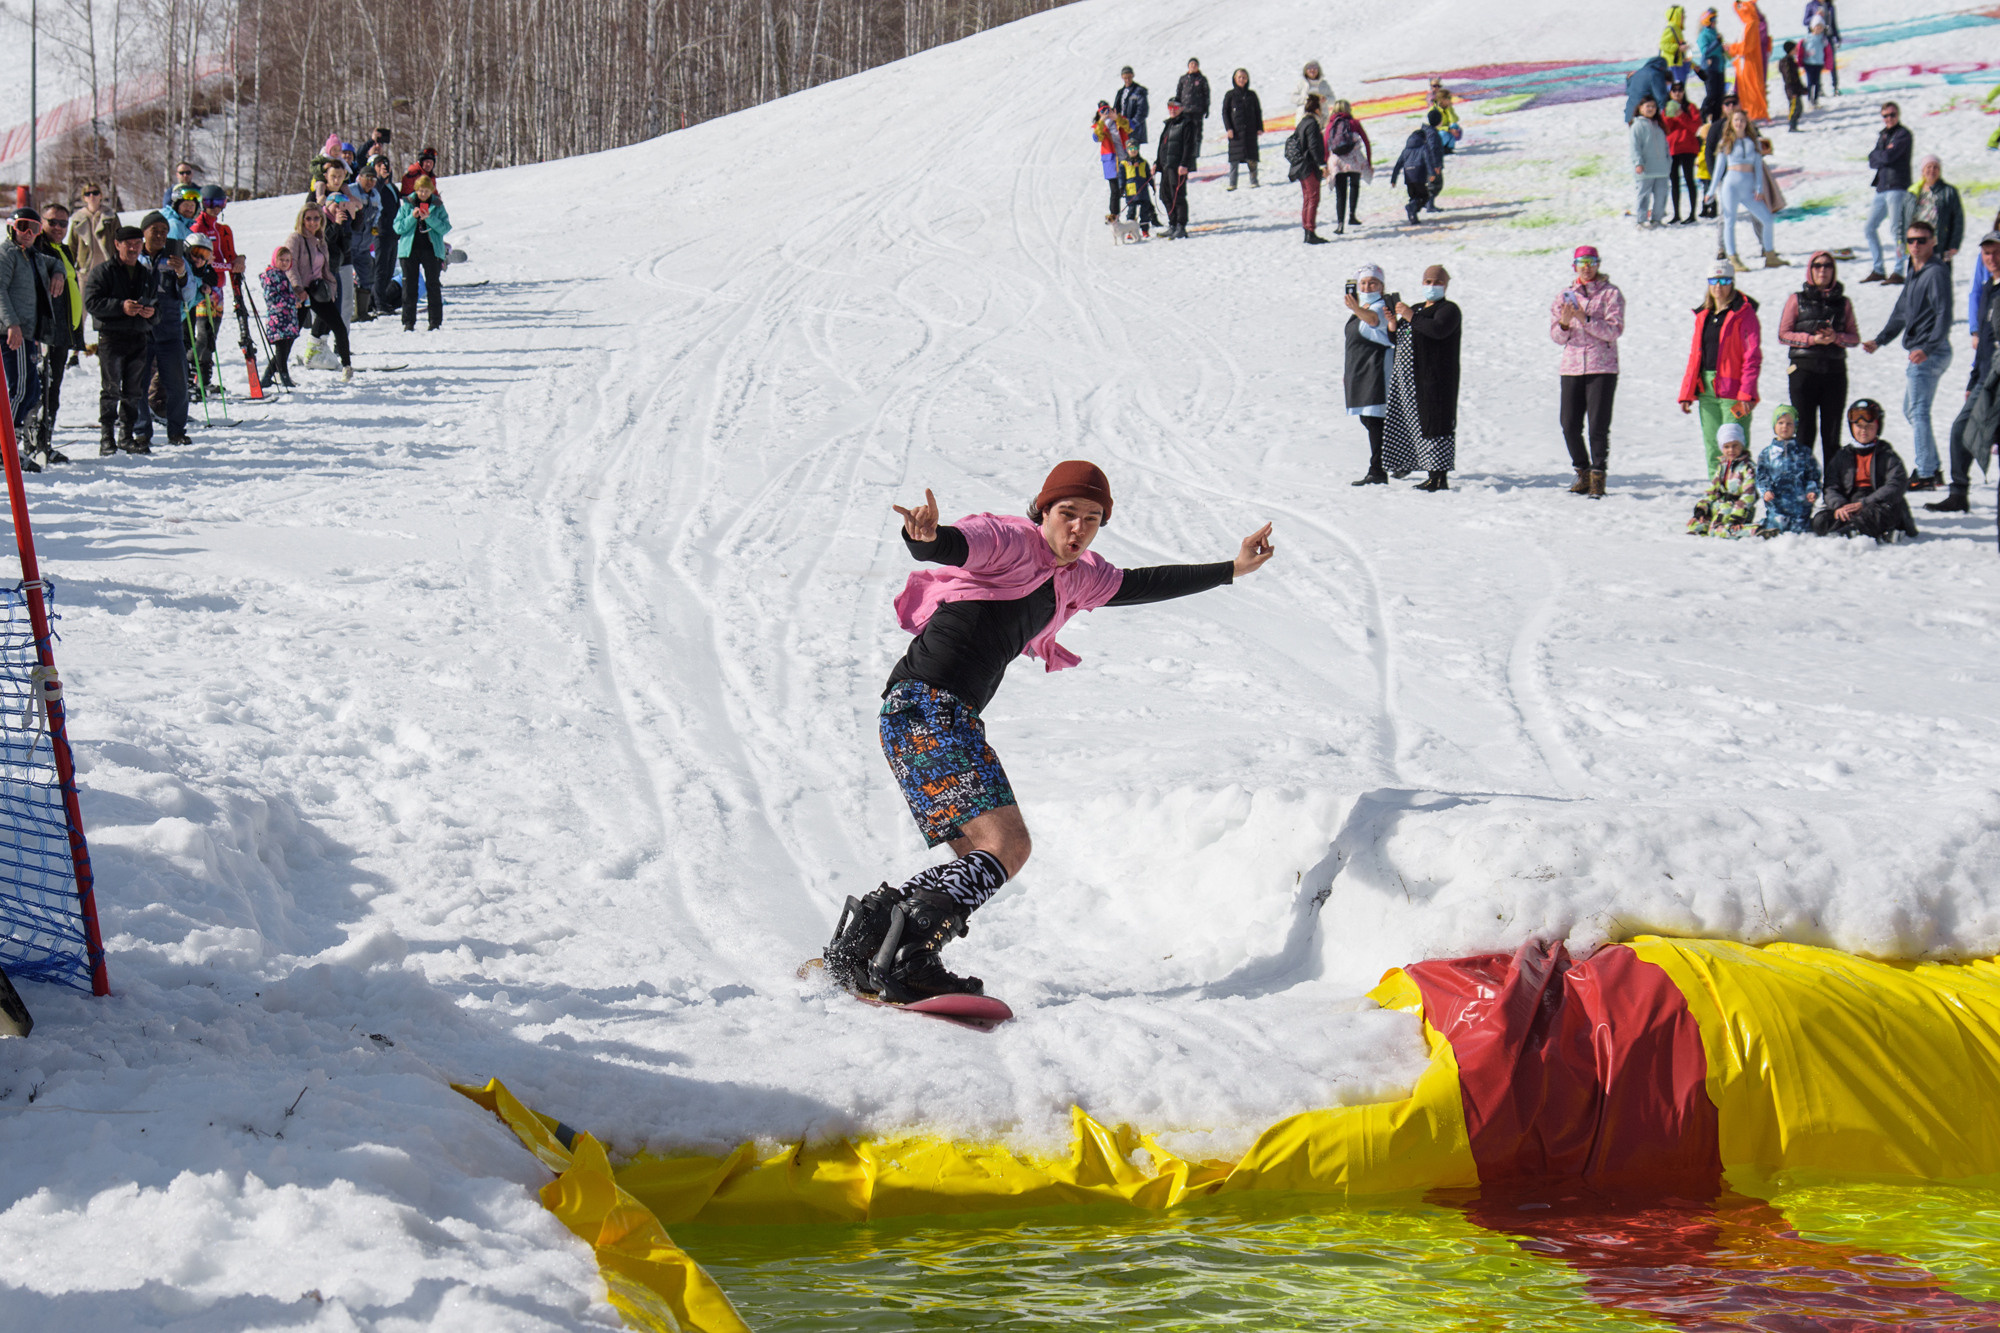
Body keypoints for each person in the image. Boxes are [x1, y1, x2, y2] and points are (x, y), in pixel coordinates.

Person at [820, 463, 1276, 1002]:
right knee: (1008, 845)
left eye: (1092, 518)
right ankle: (908, 958)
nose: (1078, 528)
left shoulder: (1079, 576)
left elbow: (1140, 583)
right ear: (1043, 512)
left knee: (982, 853)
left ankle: (870, 939)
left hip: (930, 714)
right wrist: (926, 538)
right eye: (1067, 513)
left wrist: (1232, 568)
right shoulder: (1013, 541)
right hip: (926, 710)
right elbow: (959, 545)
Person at [1864, 219, 1954, 489]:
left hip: (1929, 351)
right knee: (1912, 409)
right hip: (1923, 350)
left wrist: (1927, 348)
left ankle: (1926, 474)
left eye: (1922, 240)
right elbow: (1902, 310)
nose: (1916, 245)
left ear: (1933, 242)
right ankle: (1932, 468)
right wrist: (1880, 340)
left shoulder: (1935, 272)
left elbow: (1944, 314)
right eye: (1911, 240)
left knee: (1918, 410)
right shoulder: (1915, 270)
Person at [1931, 231, 2000, 515]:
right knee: (1962, 429)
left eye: (1996, 252)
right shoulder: (1987, 288)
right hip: (1985, 376)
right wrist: (1974, 377)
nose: (1991, 258)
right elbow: (1984, 341)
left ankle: (1960, 491)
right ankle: (1958, 492)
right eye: (1987, 252)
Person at [1552, 246, 1625, 496]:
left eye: (1591, 262)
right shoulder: (1565, 295)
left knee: (1597, 426)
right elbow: (1556, 336)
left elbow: (1614, 330)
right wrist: (1564, 323)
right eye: (1582, 262)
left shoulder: (1611, 294)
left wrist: (1585, 319)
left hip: (1602, 366)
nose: (1587, 267)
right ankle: (1582, 470)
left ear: (1598, 264)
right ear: (1574, 265)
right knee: (1569, 424)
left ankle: (1598, 475)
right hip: (1572, 366)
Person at [1778, 250, 1860, 474]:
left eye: (1827, 266)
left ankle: (1832, 484)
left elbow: (1854, 337)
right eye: (1817, 266)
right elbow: (1783, 334)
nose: (1822, 270)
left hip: (1834, 371)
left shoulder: (1843, 303)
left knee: (1831, 432)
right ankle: (1803, 482)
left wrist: (1837, 338)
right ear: (1810, 270)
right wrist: (1811, 340)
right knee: (1804, 430)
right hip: (1803, 370)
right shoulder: (1797, 299)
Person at [1679, 261, 1762, 477]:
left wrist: (1747, 392)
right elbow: (1695, 356)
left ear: (1732, 283)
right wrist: (1687, 392)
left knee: (1734, 444)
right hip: (1706, 389)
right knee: (1712, 444)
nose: (1719, 286)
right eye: (1714, 281)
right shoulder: (1703, 315)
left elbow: (1752, 355)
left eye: (1724, 281)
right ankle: (1716, 489)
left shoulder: (1744, 313)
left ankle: (1739, 489)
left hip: (1734, 390)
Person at [1383, 266, 1462, 491]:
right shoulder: (1417, 308)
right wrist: (1393, 323)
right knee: (1415, 423)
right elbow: (1400, 336)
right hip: (1409, 379)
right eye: (1427, 281)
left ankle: (1438, 475)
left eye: (1437, 282)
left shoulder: (1448, 310)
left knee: (1435, 423)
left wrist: (1410, 316)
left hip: (1434, 378)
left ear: (1445, 285)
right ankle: (1412, 466)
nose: (1431, 286)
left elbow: (1437, 330)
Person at [82, 225, 156, 455]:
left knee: (134, 391)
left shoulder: (145, 273)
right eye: (128, 244)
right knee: (111, 389)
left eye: (137, 244)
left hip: (138, 336)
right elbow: (91, 303)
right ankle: (107, 438)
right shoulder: (103, 271)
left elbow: (157, 305)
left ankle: (126, 435)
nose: (133, 248)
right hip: (111, 338)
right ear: (117, 245)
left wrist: (152, 313)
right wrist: (120, 306)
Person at [1812, 398, 1917, 541]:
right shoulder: (1842, 456)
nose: (1863, 431)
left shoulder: (1887, 455)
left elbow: (1896, 484)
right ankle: (1852, 528)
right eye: (1859, 426)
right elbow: (1830, 486)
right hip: (1850, 502)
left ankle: (1856, 531)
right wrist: (1840, 506)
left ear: (1878, 427)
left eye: (1869, 426)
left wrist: (1864, 503)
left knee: (1877, 514)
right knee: (1820, 520)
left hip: (1876, 502)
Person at [135, 213, 199, 445]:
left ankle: (177, 431)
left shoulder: (176, 257)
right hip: (140, 331)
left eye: (164, 230)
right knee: (138, 383)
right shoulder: (134, 256)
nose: (161, 235)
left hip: (169, 328)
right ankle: (142, 431)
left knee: (178, 383)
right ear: (144, 232)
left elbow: (189, 295)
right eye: (155, 230)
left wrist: (182, 272)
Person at [0, 209, 61, 453]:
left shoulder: (32, 255)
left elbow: (54, 261)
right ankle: (4, 446)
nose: (27, 233)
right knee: (21, 390)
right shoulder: (7, 254)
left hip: (29, 332)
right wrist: (11, 324)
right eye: (22, 226)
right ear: (11, 227)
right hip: (12, 332)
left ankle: (12, 445)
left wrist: (58, 273)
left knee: (33, 391)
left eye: (33, 229)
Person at [29, 205, 79, 467]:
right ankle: (34, 444)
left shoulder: (63, 249)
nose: (58, 227)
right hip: (44, 331)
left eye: (63, 223)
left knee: (53, 389)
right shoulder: (36, 247)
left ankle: (44, 443)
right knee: (41, 390)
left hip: (62, 330)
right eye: (52, 222)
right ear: (42, 222)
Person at [1705, 107, 1782, 271]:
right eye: (1736, 120)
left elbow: (1758, 167)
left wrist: (1759, 187)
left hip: (1749, 187)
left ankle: (1770, 255)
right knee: (1729, 221)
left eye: (1742, 120)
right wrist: (1711, 191)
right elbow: (1719, 169)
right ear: (1731, 123)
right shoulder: (1726, 142)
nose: (1739, 123)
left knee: (1767, 219)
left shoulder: (1753, 142)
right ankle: (1733, 257)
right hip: (1731, 186)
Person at [1344, 263, 1397, 485]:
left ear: (1382, 286)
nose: (1367, 287)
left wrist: (1356, 309)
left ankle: (1377, 470)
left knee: (1375, 420)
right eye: (1363, 283)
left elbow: (1374, 321)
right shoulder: (1365, 307)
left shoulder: (1380, 307)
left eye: (1372, 283)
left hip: (1376, 370)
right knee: (1369, 419)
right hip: (1360, 370)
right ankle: (1396, 461)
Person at [286, 202, 351, 380]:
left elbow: (325, 269)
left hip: (318, 290)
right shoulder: (295, 239)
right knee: (292, 333)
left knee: (339, 327)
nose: (312, 222)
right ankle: (274, 371)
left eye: (316, 218)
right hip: (302, 292)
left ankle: (347, 366)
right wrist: (298, 288)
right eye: (308, 219)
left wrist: (331, 288)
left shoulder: (320, 240)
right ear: (302, 220)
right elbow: (290, 266)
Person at [1862, 103, 1914, 284]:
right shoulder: (1883, 135)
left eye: (1892, 115)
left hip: (1897, 186)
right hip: (1882, 187)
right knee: (1869, 228)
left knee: (1896, 229)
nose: (1889, 119)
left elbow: (1887, 157)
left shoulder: (1903, 134)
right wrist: (1882, 155)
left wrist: (1881, 155)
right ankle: (1878, 268)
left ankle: (1898, 271)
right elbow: (1872, 159)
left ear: (1898, 115)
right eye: (1885, 115)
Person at [394, 176, 452, 331]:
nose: (423, 194)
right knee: (409, 286)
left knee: (433, 285)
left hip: (431, 250)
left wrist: (430, 218)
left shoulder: (437, 205)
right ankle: (408, 322)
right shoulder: (407, 204)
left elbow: (445, 227)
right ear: (416, 190)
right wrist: (412, 218)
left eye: (426, 191)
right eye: (420, 191)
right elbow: (398, 227)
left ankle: (435, 321)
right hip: (409, 250)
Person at [1756, 406, 1820, 534]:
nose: (1784, 426)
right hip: (1777, 506)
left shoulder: (1804, 452)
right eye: (1780, 423)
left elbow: (1813, 475)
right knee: (1776, 529)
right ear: (1774, 425)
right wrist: (1766, 490)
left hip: (1800, 507)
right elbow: (1761, 476)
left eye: (1789, 423)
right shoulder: (1767, 454)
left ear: (1795, 426)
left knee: (1800, 532)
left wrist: (1811, 490)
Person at [1687, 423, 1759, 536]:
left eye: (1735, 445)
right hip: (1720, 506)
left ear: (1741, 445)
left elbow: (1749, 495)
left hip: (1738, 510)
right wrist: (1701, 510)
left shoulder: (1748, 467)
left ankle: (1755, 531)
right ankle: (1706, 529)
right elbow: (1712, 491)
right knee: (1696, 525)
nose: (1731, 450)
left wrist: (1737, 517)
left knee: (1715, 531)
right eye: (1727, 447)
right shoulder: (1722, 466)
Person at [182, 235, 226, 397]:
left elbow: (212, 277)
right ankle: (185, 380)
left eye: (205, 255)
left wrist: (205, 285)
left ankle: (196, 379)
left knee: (197, 339)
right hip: (179, 313)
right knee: (189, 342)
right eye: (196, 253)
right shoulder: (183, 267)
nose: (200, 259)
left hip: (190, 310)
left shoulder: (202, 269)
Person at [1910, 155, 1964, 279]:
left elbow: (1958, 219)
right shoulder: (1914, 191)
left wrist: (1954, 244)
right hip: (1917, 244)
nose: (1932, 170)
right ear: (1922, 171)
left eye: (1935, 167)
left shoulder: (1949, 191)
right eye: (1928, 167)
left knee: (1940, 279)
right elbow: (1905, 218)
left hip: (1940, 243)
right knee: (1917, 281)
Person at [1325, 99, 1372, 236]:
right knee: (1354, 185)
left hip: (1337, 161)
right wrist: (1368, 161)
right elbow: (1366, 141)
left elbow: (1325, 143)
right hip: (1354, 159)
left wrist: (1326, 163)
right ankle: (1352, 215)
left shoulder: (1331, 124)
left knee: (1340, 193)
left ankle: (1340, 224)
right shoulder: (1354, 123)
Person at [1154, 99, 1199, 239]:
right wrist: (1157, 163)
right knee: (1165, 195)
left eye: (1175, 107)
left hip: (1177, 166)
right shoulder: (1169, 124)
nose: (1172, 109)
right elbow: (1163, 146)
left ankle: (1181, 225)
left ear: (1182, 108)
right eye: (1170, 107)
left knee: (1177, 196)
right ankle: (1172, 223)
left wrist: (1184, 164)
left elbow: (1189, 146)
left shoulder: (1187, 123)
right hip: (1166, 166)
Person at [259, 246, 302, 390]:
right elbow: (272, 299)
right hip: (278, 320)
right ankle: (284, 376)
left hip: (287, 320)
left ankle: (267, 376)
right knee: (281, 350)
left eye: (287, 260)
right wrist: (291, 302)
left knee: (284, 350)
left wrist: (295, 299)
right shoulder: (271, 275)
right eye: (281, 259)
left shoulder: (282, 275)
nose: (284, 263)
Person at [1288, 95, 1329, 244]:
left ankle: (1307, 229)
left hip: (1300, 166)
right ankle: (1310, 231)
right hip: (1308, 166)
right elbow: (1313, 146)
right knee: (1313, 197)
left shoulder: (1303, 122)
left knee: (1307, 198)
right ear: (1317, 109)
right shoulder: (1312, 124)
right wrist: (1322, 165)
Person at [1663, 87, 1702, 224]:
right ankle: (1676, 214)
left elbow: (1695, 127)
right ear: (1670, 93)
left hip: (1688, 148)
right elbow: (1665, 128)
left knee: (1689, 180)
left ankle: (1692, 214)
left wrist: (1681, 115)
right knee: (1674, 182)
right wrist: (1670, 116)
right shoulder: (1667, 108)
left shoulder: (1690, 107)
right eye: (1674, 90)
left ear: (1684, 92)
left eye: (1680, 90)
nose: (1677, 93)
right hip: (1673, 149)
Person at [1631, 96, 1671, 227]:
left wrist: (1668, 161)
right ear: (1640, 108)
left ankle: (1657, 219)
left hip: (1661, 168)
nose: (1650, 109)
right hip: (1646, 168)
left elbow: (1665, 146)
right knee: (1643, 195)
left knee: (1661, 195)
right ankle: (1641, 220)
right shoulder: (1637, 125)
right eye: (1647, 106)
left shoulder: (1658, 125)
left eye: (1653, 106)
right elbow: (1635, 147)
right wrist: (1638, 163)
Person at [349, 167, 383, 321]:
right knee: (342, 279)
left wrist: (375, 230)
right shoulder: (351, 191)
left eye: (373, 179)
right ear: (360, 177)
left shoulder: (375, 195)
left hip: (364, 245)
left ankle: (361, 312)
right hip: (349, 243)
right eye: (367, 178)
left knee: (367, 277)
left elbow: (378, 213)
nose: (370, 182)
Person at [1221, 69, 1263, 190]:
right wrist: (1229, 128)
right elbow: (1225, 113)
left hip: (1250, 130)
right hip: (1236, 132)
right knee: (1234, 159)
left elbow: (1257, 111)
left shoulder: (1252, 95)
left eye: (1244, 77)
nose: (1241, 79)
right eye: (1239, 77)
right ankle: (1232, 183)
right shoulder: (1230, 95)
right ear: (1235, 79)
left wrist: (1259, 127)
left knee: (1252, 158)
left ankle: (1254, 181)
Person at [1730, 0, 1771, 122]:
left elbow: (1746, 47)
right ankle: (1752, 112)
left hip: (1749, 63)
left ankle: (1754, 113)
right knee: (1749, 88)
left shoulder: (1752, 24)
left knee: (1751, 88)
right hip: (1747, 62)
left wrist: (1731, 49)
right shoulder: (1751, 23)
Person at [66, 182, 117, 276]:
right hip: (85, 269)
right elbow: (72, 245)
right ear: (84, 198)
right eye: (87, 194)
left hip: (108, 268)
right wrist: (68, 268)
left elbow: (119, 241)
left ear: (101, 195)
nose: (91, 196)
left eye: (95, 193)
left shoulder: (110, 216)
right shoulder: (78, 219)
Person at [1092, 102, 1132, 220]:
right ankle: (1114, 217)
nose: (1106, 113)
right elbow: (1096, 137)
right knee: (1115, 191)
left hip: (1124, 158)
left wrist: (1117, 118)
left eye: (1107, 109)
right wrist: (1101, 121)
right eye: (1102, 111)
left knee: (1130, 187)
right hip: (1111, 161)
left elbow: (1130, 128)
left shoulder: (1119, 121)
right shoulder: (1100, 126)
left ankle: (1133, 215)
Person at [1391, 123, 1437, 225]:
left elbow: (1398, 165)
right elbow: (1428, 160)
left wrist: (1393, 179)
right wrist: (1432, 173)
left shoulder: (1406, 150)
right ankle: (1411, 208)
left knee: (1414, 197)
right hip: (1419, 175)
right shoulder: (1423, 147)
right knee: (1424, 196)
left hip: (1408, 176)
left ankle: (1413, 217)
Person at [1694, 7, 1729, 121]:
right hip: (1709, 68)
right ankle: (1703, 116)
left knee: (1720, 95)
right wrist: (1717, 42)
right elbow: (1705, 51)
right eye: (1712, 19)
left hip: (1719, 67)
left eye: (1715, 19)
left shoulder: (1715, 33)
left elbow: (1720, 47)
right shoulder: (1703, 35)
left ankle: (1716, 119)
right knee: (1712, 94)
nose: (1715, 22)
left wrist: (1724, 47)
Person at [1118, 142, 1158, 237]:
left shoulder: (1143, 162)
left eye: (1135, 148)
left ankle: (1145, 230)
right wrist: (1121, 188)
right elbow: (1121, 177)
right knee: (1131, 212)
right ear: (1127, 150)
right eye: (1131, 149)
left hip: (1143, 191)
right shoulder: (1123, 164)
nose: (1133, 151)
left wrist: (1152, 185)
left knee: (1144, 212)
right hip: (1131, 191)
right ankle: (1130, 232)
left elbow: (1148, 175)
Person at [1174, 61, 1211, 160]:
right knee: (1185, 131)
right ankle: (1185, 151)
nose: (1193, 66)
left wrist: (1206, 108)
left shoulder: (1201, 79)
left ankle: (1196, 151)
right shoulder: (1183, 79)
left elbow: (1206, 94)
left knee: (1197, 131)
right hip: (1185, 110)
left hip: (1197, 110)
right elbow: (1178, 93)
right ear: (1188, 66)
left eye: (1195, 65)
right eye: (1191, 64)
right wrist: (1177, 108)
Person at [1804, 0, 1841, 94]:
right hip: (1816, 38)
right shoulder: (1811, 5)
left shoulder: (1830, 6)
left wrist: (1837, 37)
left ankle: (1835, 87)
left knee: (1831, 62)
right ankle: (1818, 88)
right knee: (1817, 63)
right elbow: (1805, 21)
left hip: (1828, 37)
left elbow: (1833, 23)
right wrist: (1815, 16)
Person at [1625, 56, 1673, 126]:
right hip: (1645, 112)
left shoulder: (1637, 73)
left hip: (1630, 112)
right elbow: (1660, 96)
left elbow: (1628, 91)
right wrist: (1666, 111)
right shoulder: (1656, 74)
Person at [1113, 67, 1149, 146]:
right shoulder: (1121, 92)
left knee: (1132, 149)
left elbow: (1142, 110)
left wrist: (1133, 123)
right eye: (1125, 78)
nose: (1127, 80)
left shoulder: (1138, 91)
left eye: (1129, 77)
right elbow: (1116, 109)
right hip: (1122, 127)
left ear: (1132, 75)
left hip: (1134, 129)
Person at [1799, 19, 1831, 105]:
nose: (1819, 29)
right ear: (1813, 27)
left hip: (1818, 63)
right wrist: (1803, 57)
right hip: (1808, 63)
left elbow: (1827, 50)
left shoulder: (1823, 39)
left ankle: (1816, 99)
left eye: (1821, 27)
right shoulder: (1807, 38)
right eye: (1817, 27)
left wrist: (1826, 62)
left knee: (1817, 82)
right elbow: (1802, 48)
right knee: (1810, 82)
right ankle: (1810, 98)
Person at [1778, 41, 1806, 132]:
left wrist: (1801, 88)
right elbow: (1789, 77)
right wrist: (1793, 89)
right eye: (1795, 49)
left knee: (1799, 107)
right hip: (1791, 88)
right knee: (1795, 107)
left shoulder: (1791, 60)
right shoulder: (1787, 62)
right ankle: (1792, 125)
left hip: (1795, 87)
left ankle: (1794, 125)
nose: (1797, 50)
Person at [1662, 5, 1690, 76]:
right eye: (1682, 15)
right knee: (1675, 83)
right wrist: (1678, 48)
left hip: (1677, 63)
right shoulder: (1670, 28)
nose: (1684, 17)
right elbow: (1663, 44)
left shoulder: (1677, 29)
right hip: (1672, 64)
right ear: (1677, 16)